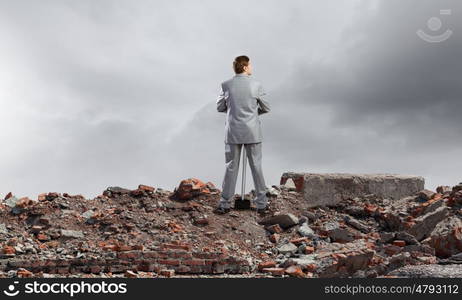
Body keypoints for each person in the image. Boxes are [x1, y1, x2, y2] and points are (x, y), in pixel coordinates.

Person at [215, 55, 271, 215]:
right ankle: (261, 204)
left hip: (233, 131)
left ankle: (225, 203)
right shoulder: (257, 85)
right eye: (250, 65)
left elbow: (220, 107)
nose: (252, 68)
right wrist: (253, 114)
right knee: (256, 166)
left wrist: (234, 111)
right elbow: (266, 107)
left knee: (231, 167)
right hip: (252, 131)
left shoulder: (225, 85)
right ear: (245, 67)